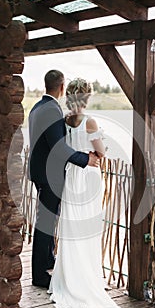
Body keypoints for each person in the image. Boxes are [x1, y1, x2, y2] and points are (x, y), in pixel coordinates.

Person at [48, 78, 126, 308]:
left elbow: (67, 149)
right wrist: (102, 151)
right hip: (89, 176)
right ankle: (86, 279)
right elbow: (101, 151)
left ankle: (70, 277)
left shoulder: (66, 120)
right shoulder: (89, 121)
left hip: (72, 176)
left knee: (72, 227)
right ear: (86, 97)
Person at [28, 70, 100, 288]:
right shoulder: (51, 109)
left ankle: (49, 259)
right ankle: (40, 275)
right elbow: (59, 149)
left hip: (40, 172)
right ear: (61, 87)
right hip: (49, 176)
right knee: (45, 224)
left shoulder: (37, 107)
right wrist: (85, 160)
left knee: (47, 220)